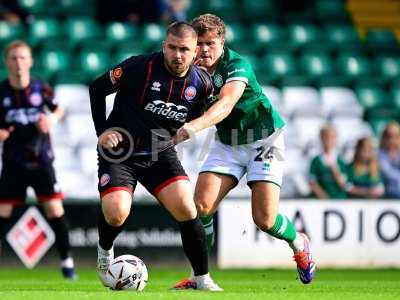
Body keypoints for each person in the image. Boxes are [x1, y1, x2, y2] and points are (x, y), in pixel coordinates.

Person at [172, 14, 316, 287]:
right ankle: (198, 276)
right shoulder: (192, 68)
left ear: (222, 42)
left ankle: (299, 242)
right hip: (228, 142)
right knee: (200, 207)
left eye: (210, 43)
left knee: (264, 219)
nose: (203, 50)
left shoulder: (237, 65)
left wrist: (194, 126)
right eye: (199, 43)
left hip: (264, 140)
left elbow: (226, 104)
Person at [89, 21, 222, 291]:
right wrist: (102, 131)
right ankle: (105, 252)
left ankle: (202, 278)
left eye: (184, 49)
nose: (177, 54)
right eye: (172, 47)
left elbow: (197, 114)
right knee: (116, 213)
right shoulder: (139, 67)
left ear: (195, 51)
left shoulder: (202, 84)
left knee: (187, 207)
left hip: (159, 152)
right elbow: (96, 88)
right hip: (120, 151)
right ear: (164, 45)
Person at [0, 40, 76, 279]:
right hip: (13, 163)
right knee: (2, 213)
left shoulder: (40, 88)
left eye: (23, 58)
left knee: (55, 210)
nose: (18, 63)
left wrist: (52, 120)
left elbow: (58, 109)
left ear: (31, 61)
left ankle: (67, 264)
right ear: (6, 62)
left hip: (42, 161)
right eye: (13, 58)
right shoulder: (1, 92)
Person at [309, 125, 347, 199]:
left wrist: (335, 171)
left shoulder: (340, 161)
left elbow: (344, 185)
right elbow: (312, 182)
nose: (329, 141)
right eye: (326, 138)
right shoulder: (316, 160)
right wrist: (324, 196)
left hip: (340, 199)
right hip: (322, 200)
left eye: (332, 138)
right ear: (321, 139)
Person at [378, 122, 400, 198]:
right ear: (383, 138)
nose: (392, 140)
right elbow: (386, 173)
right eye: (388, 136)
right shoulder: (378, 155)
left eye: (396, 136)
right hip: (386, 196)